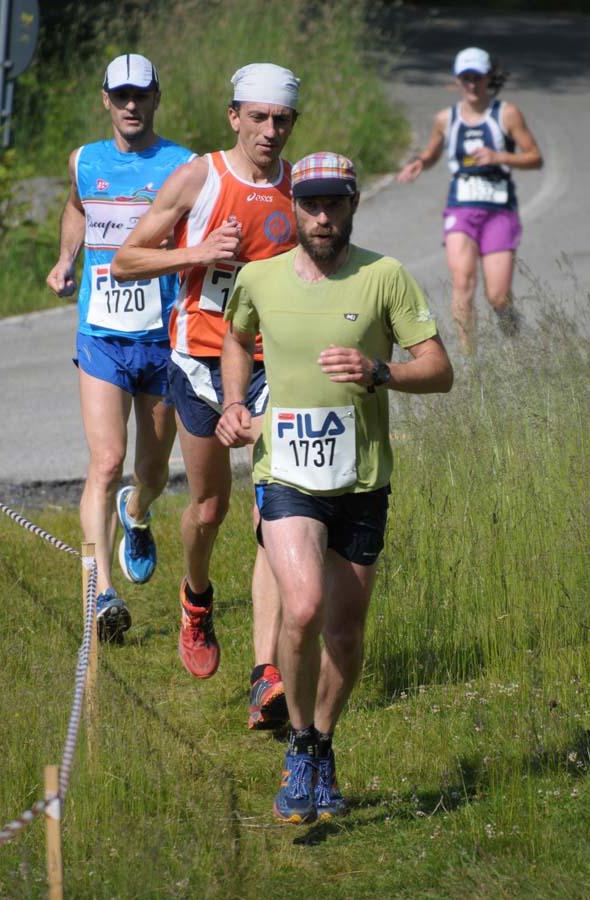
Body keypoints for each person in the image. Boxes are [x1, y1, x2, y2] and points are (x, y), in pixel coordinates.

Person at [216, 151, 454, 823]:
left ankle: (322, 740)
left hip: (361, 479)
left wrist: (381, 371)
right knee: (301, 608)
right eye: (311, 203)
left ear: (354, 204)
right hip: (285, 472)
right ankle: (296, 744)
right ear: (293, 205)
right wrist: (235, 403)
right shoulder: (259, 278)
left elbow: (438, 370)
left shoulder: (385, 277)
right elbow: (235, 337)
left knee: (345, 638)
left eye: (335, 203)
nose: (322, 216)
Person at [112, 64, 300, 727]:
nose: (269, 132)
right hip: (197, 362)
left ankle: (266, 675)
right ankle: (196, 598)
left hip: (272, 365)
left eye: (281, 121)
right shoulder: (201, 178)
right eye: (258, 118)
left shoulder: (298, 189)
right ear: (234, 118)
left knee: (272, 516)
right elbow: (126, 260)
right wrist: (195, 256)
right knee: (211, 508)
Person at [46, 54, 195, 641]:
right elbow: (77, 207)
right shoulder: (85, 160)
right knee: (105, 461)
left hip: (163, 339)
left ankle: (137, 511)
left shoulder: (185, 166)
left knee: (151, 470)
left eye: (141, 95)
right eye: (121, 96)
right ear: (105, 100)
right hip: (101, 333)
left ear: (156, 97)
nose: (131, 105)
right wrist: (65, 259)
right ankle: (101, 595)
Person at [397, 47, 543, 354]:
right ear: (457, 81)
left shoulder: (507, 114)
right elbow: (434, 152)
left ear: (489, 77)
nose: (472, 85)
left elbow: (535, 158)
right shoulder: (445, 119)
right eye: (466, 78)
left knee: (498, 296)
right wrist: (420, 162)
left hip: (499, 210)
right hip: (461, 208)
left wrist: (499, 156)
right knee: (462, 281)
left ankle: (510, 326)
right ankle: (469, 356)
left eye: (478, 77)